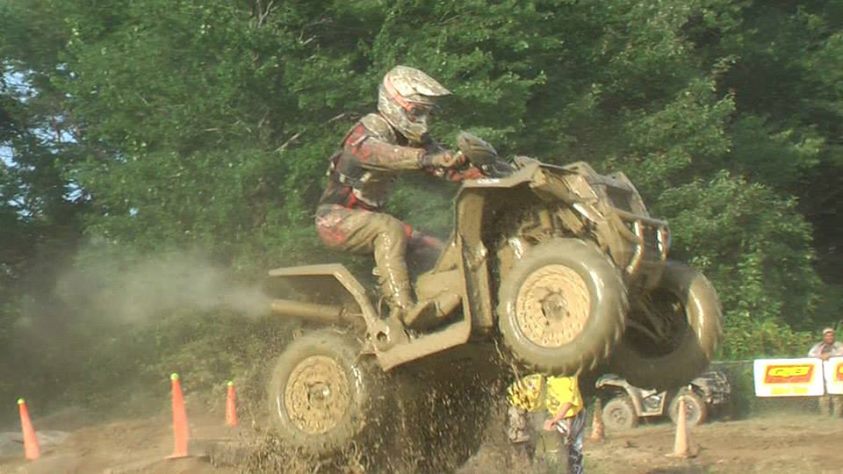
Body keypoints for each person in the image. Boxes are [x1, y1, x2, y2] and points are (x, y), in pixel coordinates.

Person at [314, 65, 481, 328]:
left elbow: (445, 166)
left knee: (437, 249)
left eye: (427, 113)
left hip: (369, 217)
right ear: (395, 104)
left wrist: (486, 173)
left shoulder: (411, 138)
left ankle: (446, 306)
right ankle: (405, 310)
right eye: (416, 112)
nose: (423, 120)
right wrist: (426, 158)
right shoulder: (366, 133)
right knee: (389, 228)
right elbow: (378, 154)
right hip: (335, 219)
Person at [506, 373, 587, 474]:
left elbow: (568, 403)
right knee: (552, 452)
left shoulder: (564, 378)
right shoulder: (544, 379)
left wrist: (554, 420)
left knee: (571, 452)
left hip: (569, 417)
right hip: (555, 415)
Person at [808, 327, 843, 417]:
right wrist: (819, 356)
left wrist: (830, 355)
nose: (829, 337)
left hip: (836, 375)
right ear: (823, 337)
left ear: (834, 336)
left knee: (837, 395)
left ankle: (837, 416)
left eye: (831, 335)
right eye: (827, 336)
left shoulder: (839, 345)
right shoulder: (819, 346)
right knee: (823, 395)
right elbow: (810, 354)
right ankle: (825, 416)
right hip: (821, 374)